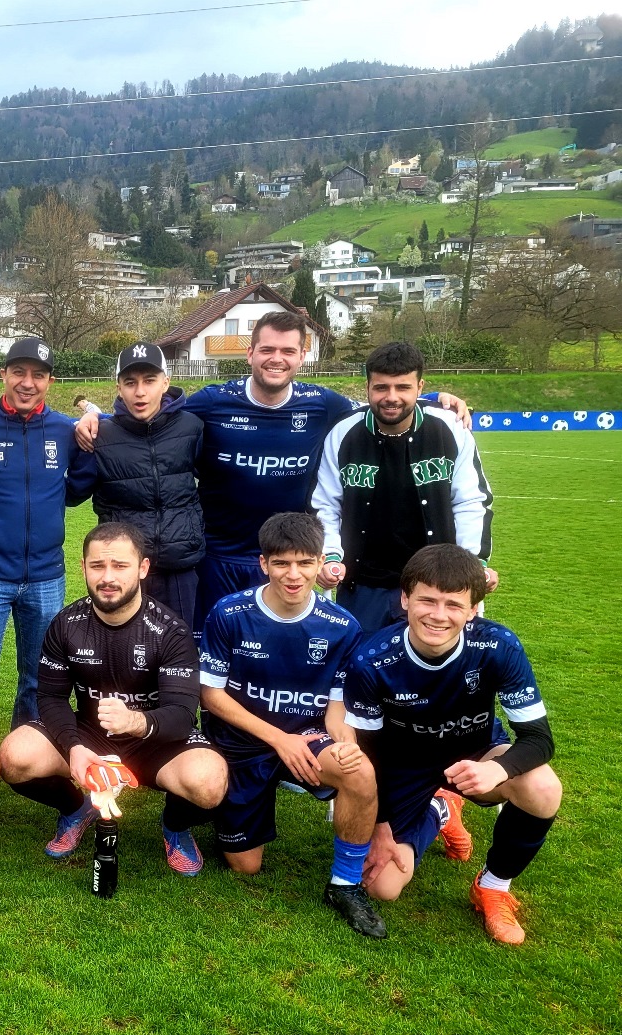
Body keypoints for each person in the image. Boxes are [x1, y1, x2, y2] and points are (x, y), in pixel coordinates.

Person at [72, 311, 471, 625]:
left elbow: (381, 403)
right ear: (250, 354)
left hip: (288, 558)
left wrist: (435, 398)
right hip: (218, 558)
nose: (276, 359)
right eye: (267, 349)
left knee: (282, 654)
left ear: (302, 356)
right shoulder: (213, 402)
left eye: (287, 351)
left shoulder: (323, 404)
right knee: (213, 652)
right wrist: (98, 418)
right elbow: (153, 415)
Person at [345, 544, 561, 945]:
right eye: (427, 600)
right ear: (405, 599)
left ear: (473, 608)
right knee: (381, 886)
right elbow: (370, 755)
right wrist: (381, 827)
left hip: (475, 756)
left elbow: (538, 738)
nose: (438, 615)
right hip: (401, 766)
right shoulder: (371, 659)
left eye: (453, 604)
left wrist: (497, 768)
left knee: (543, 787)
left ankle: (493, 887)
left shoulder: (498, 645)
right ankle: (439, 810)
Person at [0, 522, 227, 874]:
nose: (108, 577)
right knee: (15, 756)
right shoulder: (66, 624)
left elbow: (182, 715)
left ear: (143, 568)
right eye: (97, 566)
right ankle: (77, 809)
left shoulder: (170, 631)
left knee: (209, 783)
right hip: (90, 736)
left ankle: (175, 826)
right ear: (83, 568)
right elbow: (51, 697)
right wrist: (74, 747)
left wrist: (136, 720)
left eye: (120, 566)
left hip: (156, 741)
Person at [197, 512, 384, 938]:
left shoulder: (343, 627)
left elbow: (337, 706)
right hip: (241, 741)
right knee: (245, 867)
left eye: (304, 563)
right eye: (281, 563)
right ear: (263, 564)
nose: (293, 575)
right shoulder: (229, 613)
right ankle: (231, 808)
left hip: (307, 737)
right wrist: (280, 740)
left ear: (321, 563)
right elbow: (211, 696)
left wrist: (346, 743)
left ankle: (345, 885)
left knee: (359, 771)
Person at [0, 336, 96, 734]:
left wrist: (94, 433)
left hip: (46, 577)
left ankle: (23, 756)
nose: (28, 383)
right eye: (19, 372)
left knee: (39, 680)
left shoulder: (64, 430)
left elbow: (77, 491)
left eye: (38, 375)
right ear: (4, 375)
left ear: (50, 381)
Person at [312, 341, 495, 632]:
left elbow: (471, 501)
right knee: (361, 658)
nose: (391, 397)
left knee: (433, 659)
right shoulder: (343, 432)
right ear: (367, 387)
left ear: (420, 387)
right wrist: (330, 554)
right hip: (363, 585)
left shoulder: (450, 428)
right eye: (381, 387)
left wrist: (473, 562)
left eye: (403, 387)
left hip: (436, 585)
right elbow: (325, 504)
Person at [89, 343, 205, 627]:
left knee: (180, 648)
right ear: (118, 387)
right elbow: (73, 492)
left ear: (165, 382)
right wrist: (85, 420)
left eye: (149, 381)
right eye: (130, 382)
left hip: (180, 567)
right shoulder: (100, 435)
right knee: (122, 650)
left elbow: (217, 481)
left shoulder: (192, 427)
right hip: (124, 570)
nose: (140, 392)